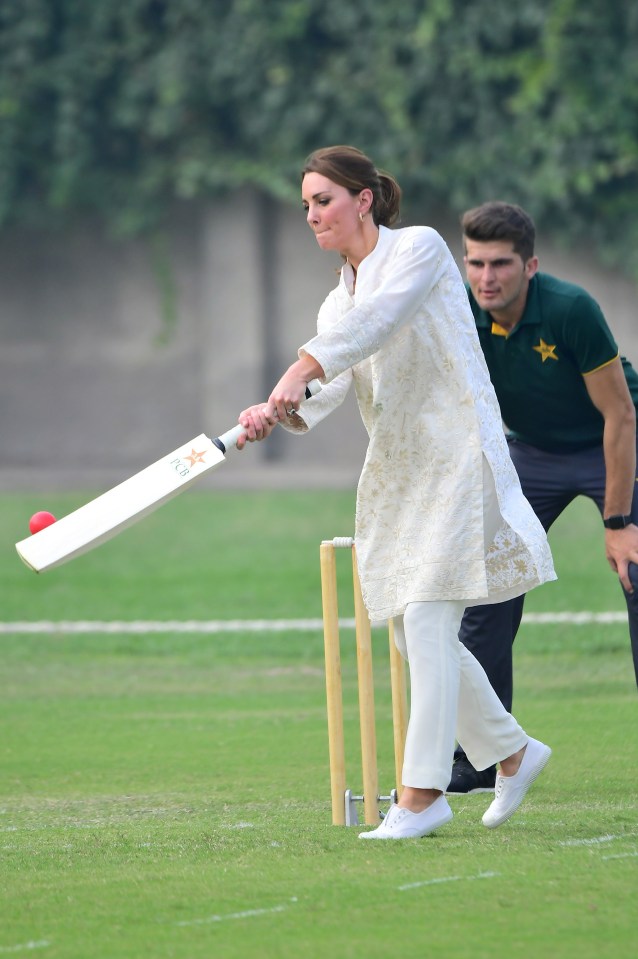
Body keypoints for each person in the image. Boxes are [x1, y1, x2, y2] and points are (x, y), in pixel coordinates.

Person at [237, 146, 556, 840]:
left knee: (431, 622)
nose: (313, 214)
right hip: (401, 468)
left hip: (458, 451)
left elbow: (375, 323)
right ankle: (512, 750)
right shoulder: (335, 298)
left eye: (323, 199)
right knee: (414, 631)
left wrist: (300, 367)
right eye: (305, 205)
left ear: (364, 198)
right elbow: (331, 383)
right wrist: (279, 410)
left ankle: (421, 795)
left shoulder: (421, 250)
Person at [448, 201, 638, 796]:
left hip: (614, 442)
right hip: (532, 453)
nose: (487, 277)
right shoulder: (461, 314)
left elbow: (620, 416)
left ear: (530, 265)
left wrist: (619, 521)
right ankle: (483, 756)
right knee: (489, 591)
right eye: (475, 263)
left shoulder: (570, 308)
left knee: (637, 576)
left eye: (500, 263)